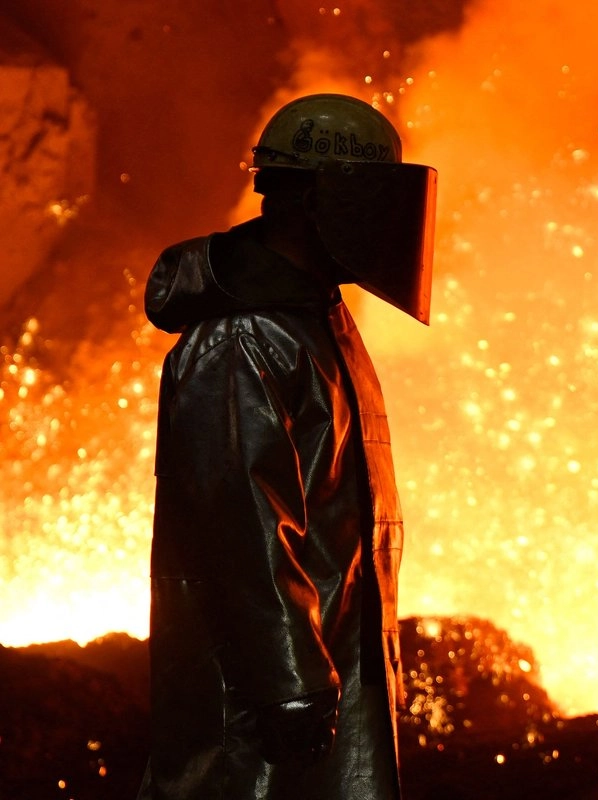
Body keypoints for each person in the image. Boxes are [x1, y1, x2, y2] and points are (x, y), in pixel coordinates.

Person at [137, 93, 436, 799]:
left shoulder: (311, 318)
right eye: (367, 197)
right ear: (312, 198)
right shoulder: (245, 338)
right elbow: (243, 529)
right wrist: (290, 684)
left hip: (317, 676)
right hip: (266, 713)